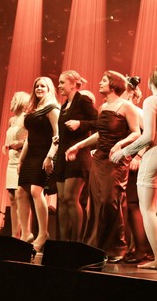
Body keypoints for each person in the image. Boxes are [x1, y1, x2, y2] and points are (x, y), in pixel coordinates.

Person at [112, 65, 157, 270]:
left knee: (148, 209)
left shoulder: (152, 100)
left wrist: (124, 152)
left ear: (152, 81)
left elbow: (148, 136)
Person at [66, 71, 141, 261]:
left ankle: (116, 247)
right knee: (97, 202)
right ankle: (95, 246)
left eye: (104, 80)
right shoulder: (103, 107)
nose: (100, 83)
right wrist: (78, 146)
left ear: (114, 84)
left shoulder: (127, 107)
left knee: (110, 201)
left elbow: (136, 133)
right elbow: (100, 134)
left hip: (116, 159)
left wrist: (120, 145)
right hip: (99, 159)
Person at [18, 77, 60, 251]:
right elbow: (29, 137)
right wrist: (21, 159)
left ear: (49, 89)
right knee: (21, 192)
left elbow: (57, 136)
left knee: (36, 190)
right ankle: (25, 233)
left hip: (44, 154)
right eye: (37, 86)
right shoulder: (34, 109)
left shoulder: (53, 108)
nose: (39, 88)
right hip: (31, 155)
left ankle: (43, 233)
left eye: (43, 86)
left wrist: (50, 156)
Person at [55, 70, 98, 241]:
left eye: (62, 82)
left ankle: (75, 242)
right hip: (62, 156)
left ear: (73, 84)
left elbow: (98, 122)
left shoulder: (82, 100)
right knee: (62, 199)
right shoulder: (64, 105)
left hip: (78, 156)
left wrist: (80, 123)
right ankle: (63, 242)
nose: (59, 86)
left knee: (71, 198)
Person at [122, 76, 150, 263]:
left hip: (135, 163)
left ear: (131, 93)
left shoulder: (137, 112)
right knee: (128, 206)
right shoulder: (122, 110)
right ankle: (132, 247)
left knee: (134, 205)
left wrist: (138, 156)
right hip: (123, 162)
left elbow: (149, 136)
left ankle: (142, 249)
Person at [3, 91, 30, 240]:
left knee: (22, 198)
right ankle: (14, 235)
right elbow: (9, 137)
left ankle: (25, 234)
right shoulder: (11, 120)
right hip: (11, 160)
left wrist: (20, 143)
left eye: (14, 98)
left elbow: (32, 139)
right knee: (12, 198)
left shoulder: (27, 118)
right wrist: (6, 145)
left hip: (22, 159)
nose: (11, 100)